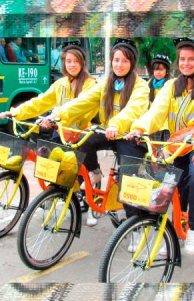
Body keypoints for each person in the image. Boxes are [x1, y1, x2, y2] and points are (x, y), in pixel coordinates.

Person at [126, 37, 194, 256]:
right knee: (163, 184)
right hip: (177, 147)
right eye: (182, 59)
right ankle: (167, 232)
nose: (186, 63)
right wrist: (140, 128)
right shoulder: (172, 86)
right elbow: (155, 112)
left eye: (191, 59)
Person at [44, 38, 150, 233]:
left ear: (132, 63)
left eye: (124, 61)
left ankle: (136, 228)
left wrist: (116, 124)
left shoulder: (141, 86)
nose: (119, 64)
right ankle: (94, 174)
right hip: (107, 132)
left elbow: (134, 110)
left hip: (129, 136)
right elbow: (83, 102)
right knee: (80, 141)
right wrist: (56, 115)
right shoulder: (104, 84)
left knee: (129, 185)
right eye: (116, 60)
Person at [0, 41, 98, 225]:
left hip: (80, 133)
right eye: (68, 61)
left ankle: (91, 208)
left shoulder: (91, 85)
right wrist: (15, 112)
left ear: (82, 62)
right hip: (61, 130)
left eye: (75, 61)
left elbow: (83, 107)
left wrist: (56, 117)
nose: (72, 64)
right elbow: (40, 102)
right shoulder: (60, 84)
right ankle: (55, 194)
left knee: (83, 171)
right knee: (52, 162)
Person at [147, 54, 172, 142]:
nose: (158, 72)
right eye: (156, 69)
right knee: (153, 151)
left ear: (166, 71)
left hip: (167, 127)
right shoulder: (149, 84)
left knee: (166, 152)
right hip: (153, 125)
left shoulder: (171, 85)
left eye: (161, 69)